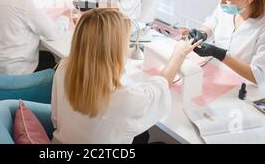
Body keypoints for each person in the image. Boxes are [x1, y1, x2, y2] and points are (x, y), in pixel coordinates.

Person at [51, 9, 201, 144]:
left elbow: (56, 120)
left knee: (142, 136)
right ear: (114, 49)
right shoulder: (123, 98)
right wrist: (179, 54)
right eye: (126, 41)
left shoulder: (64, 67)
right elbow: (160, 86)